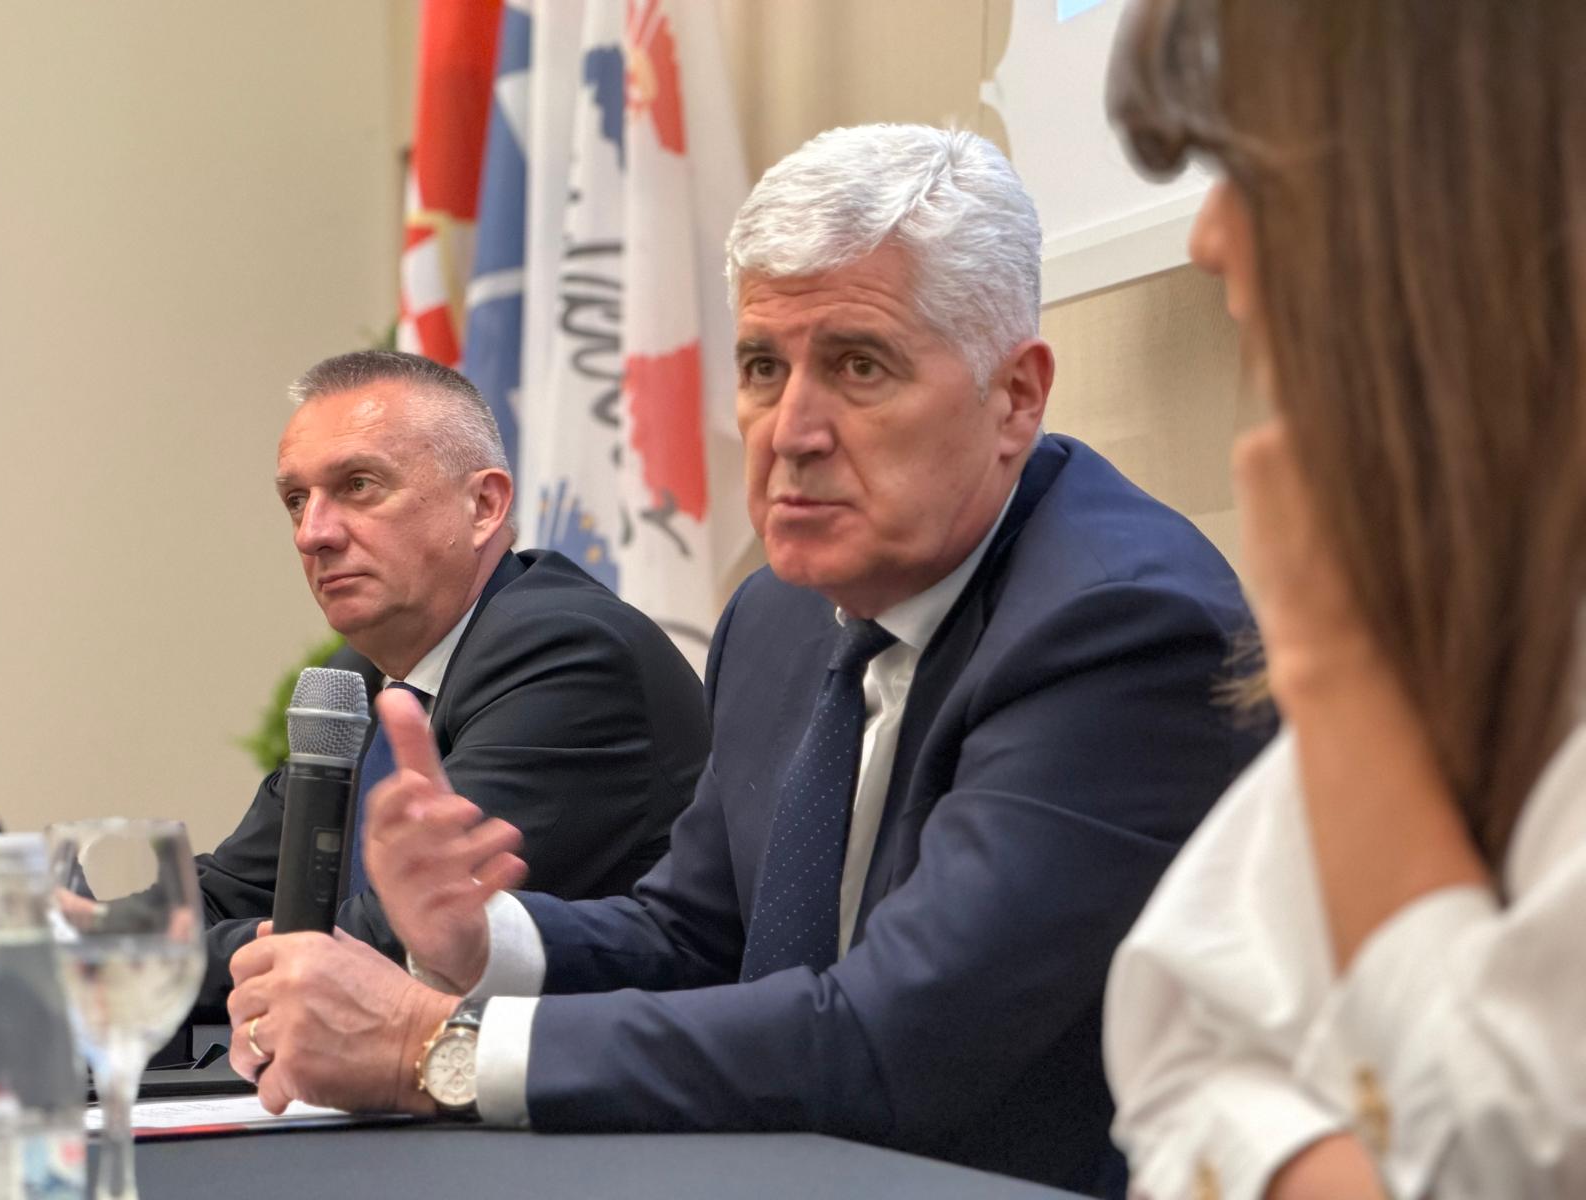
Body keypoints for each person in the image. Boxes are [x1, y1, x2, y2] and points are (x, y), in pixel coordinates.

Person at [225, 125, 1265, 1196]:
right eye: (764, 367)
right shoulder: (779, 611)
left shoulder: (1118, 628)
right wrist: (481, 940)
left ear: (1016, 397)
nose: (791, 430)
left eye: (859, 366)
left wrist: (433, 1049)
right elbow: (696, 937)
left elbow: (890, 1038)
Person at [1101, 2, 1586, 1198]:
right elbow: (1174, 1046)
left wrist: (1331, 660)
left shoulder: (1180, 612)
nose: (1208, 239)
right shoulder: (1488, 574)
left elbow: (1506, 1165)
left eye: (1246, 174)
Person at [192, 350, 709, 1012]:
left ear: (484, 505)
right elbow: (234, 890)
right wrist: (94, 935)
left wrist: (146, 965)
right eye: (297, 500)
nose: (312, 534)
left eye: (358, 485)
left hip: (593, 1067)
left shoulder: (568, 653)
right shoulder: (359, 678)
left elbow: (395, 939)